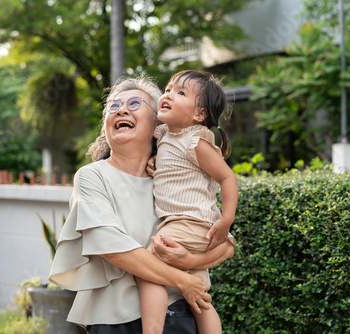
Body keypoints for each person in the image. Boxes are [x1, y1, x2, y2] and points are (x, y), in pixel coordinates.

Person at [48, 74, 235, 334]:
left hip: (179, 317)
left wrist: (189, 258)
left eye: (135, 104)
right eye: (113, 106)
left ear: (159, 121)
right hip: (115, 322)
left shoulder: (172, 179)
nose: (121, 109)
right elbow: (112, 248)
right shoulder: (93, 176)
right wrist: (183, 279)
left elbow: (225, 245)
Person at [136, 70, 238, 334]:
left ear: (199, 115)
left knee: (147, 268)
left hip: (188, 223)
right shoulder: (164, 135)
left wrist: (226, 220)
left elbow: (227, 178)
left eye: (180, 92)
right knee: (199, 298)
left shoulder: (195, 141)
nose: (168, 94)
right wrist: (154, 160)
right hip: (188, 226)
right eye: (168, 89)